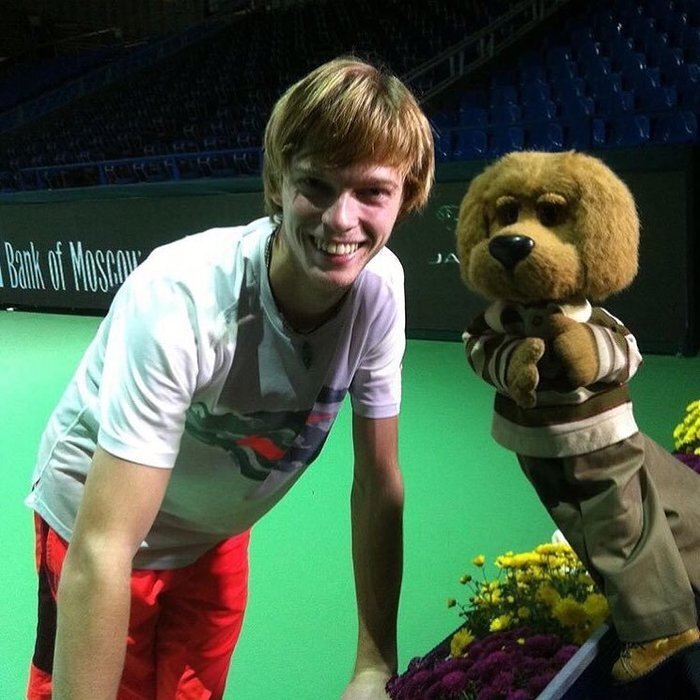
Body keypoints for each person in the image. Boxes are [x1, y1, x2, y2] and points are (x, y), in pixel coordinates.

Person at [25, 55, 435, 700]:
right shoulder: (181, 297)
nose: (341, 219)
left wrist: (374, 664)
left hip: (213, 533)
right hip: (97, 524)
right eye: (316, 185)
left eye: (372, 192)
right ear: (277, 183)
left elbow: (378, 484)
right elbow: (104, 548)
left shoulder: (380, 288)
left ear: (405, 197)